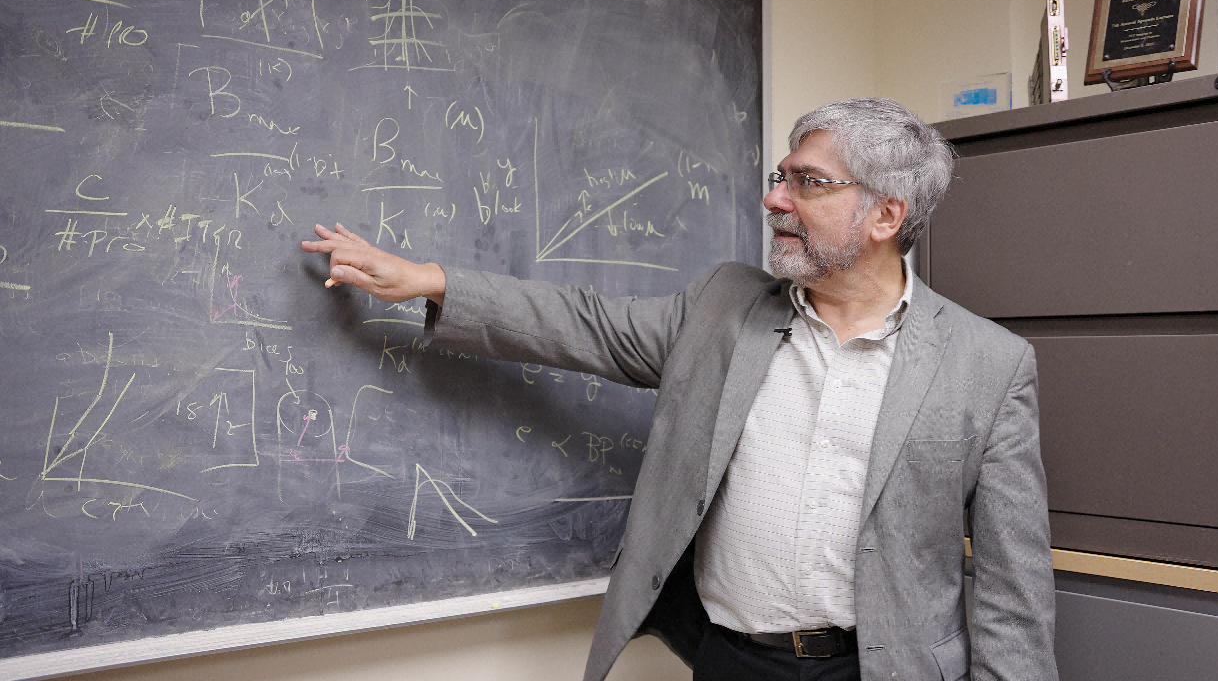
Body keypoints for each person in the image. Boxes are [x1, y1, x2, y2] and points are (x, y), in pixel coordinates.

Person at [301, 98, 1057, 681]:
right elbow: (587, 324)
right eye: (781, 178)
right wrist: (431, 282)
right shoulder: (725, 306)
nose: (776, 200)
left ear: (886, 215)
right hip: (731, 662)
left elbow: (1013, 593)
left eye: (808, 183)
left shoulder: (988, 366)